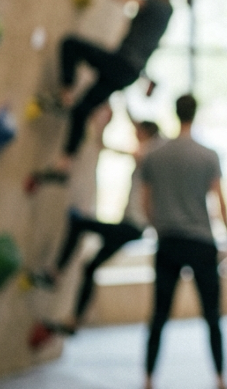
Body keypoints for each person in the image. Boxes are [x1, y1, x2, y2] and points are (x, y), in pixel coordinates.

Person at [33, 0, 187, 186]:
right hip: (129, 72)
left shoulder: (155, 4)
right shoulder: (167, 9)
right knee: (83, 109)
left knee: (70, 44)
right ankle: (65, 163)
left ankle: (64, 95)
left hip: (122, 63)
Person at [137, 94, 227, 389]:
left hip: (168, 242)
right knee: (212, 316)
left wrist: (159, 226)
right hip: (202, 243)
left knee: (159, 316)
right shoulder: (208, 155)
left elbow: (145, 202)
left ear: (175, 113)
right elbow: (218, 201)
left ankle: (149, 384)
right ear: (196, 113)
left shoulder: (155, 154)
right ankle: (221, 383)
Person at [42, 118, 166, 335]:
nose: (135, 137)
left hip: (132, 226)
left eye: (138, 134)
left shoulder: (149, 154)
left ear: (146, 134)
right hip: (131, 227)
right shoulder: (153, 154)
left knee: (78, 223)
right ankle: (74, 321)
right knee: (90, 267)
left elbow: (129, 151)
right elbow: (135, 126)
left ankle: (56, 273)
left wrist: (103, 143)